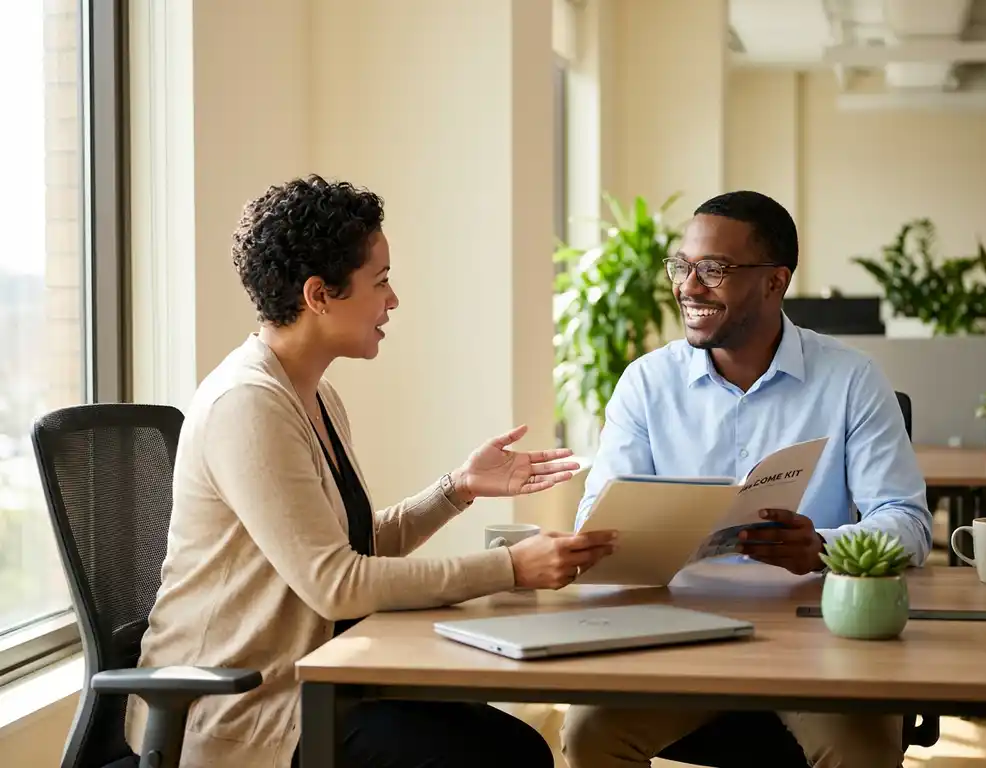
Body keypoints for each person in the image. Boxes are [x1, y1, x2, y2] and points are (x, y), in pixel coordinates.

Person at [124, 174, 618, 768]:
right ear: (318, 295)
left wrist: (455, 489)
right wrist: (511, 567)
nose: (393, 300)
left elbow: (349, 548)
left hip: (318, 683)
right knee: (502, 756)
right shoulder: (247, 405)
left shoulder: (316, 396)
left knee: (514, 745)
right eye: (380, 282)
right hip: (241, 710)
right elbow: (336, 584)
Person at [560, 190, 932, 768]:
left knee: (859, 750)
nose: (688, 285)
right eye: (682, 266)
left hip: (818, 632)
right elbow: (595, 523)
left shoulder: (852, 380)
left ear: (774, 282)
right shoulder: (645, 384)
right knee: (589, 734)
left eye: (714, 270)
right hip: (674, 630)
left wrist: (824, 548)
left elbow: (906, 522)